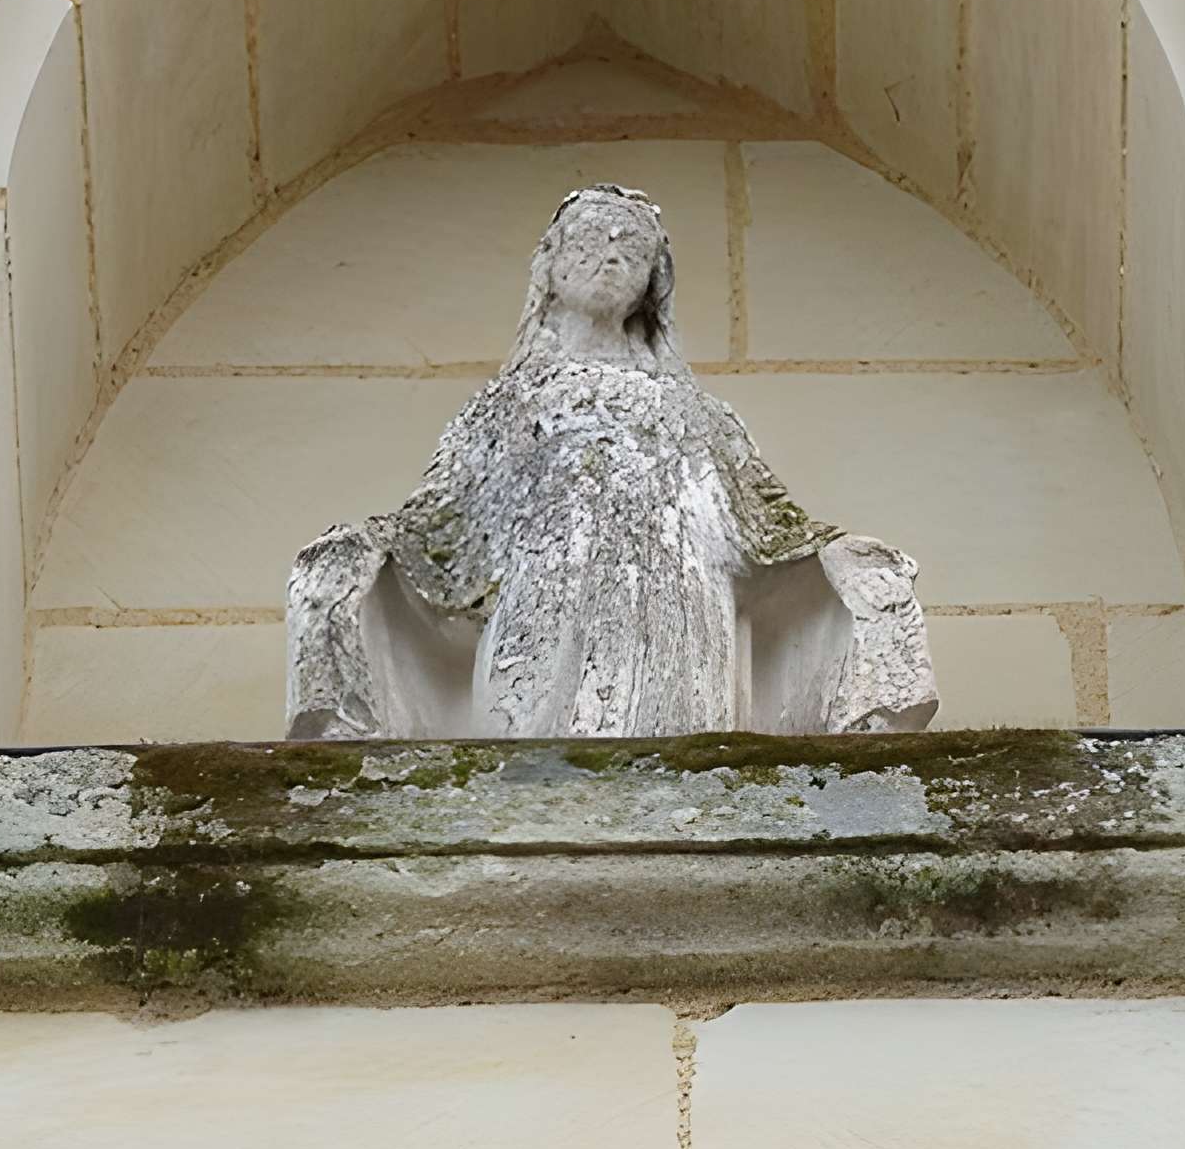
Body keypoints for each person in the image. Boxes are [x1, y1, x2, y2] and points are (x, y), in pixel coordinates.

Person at [286, 183, 939, 740]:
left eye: (633, 246)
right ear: (549, 264)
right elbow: (441, 535)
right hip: (547, 613)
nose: (611, 253)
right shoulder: (505, 406)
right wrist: (367, 547)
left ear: (654, 279)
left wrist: (843, 557)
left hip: (678, 616)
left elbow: (768, 533)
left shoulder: (699, 413)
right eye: (589, 238)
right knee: (537, 782)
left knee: (680, 773)